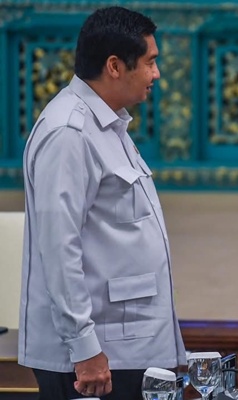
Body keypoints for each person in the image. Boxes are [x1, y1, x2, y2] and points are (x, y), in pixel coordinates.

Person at [18, 6, 185, 399]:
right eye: (150, 62)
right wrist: (84, 347)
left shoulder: (106, 123)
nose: (157, 74)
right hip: (95, 359)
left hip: (125, 345)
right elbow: (59, 249)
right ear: (114, 66)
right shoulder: (69, 133)